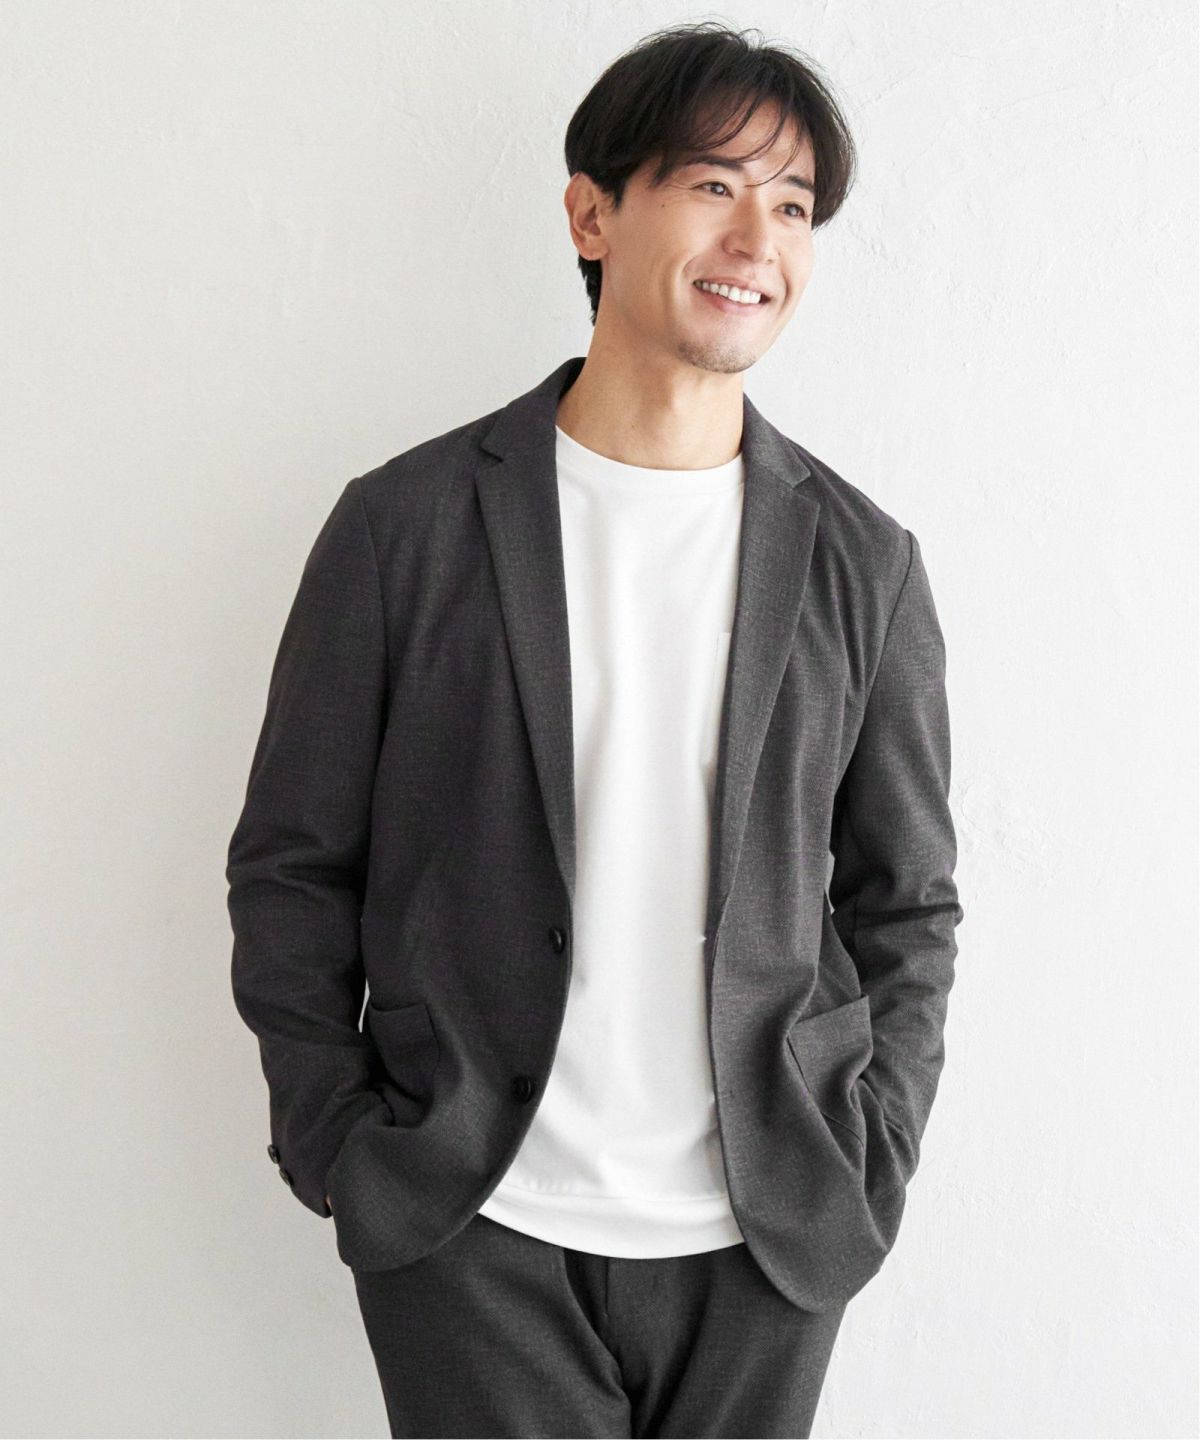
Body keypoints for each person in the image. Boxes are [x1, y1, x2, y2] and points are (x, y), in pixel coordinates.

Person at [226, 20, 963, 1439]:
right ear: (592, 213)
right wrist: (339, 1141)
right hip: (472, 1230)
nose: (758, 239)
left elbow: (907, 901)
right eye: (713, 185)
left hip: (767, 1243)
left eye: (794, 205)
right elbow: (292, 865)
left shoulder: (862, 564)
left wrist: (870, 1152)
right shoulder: (405, 528)